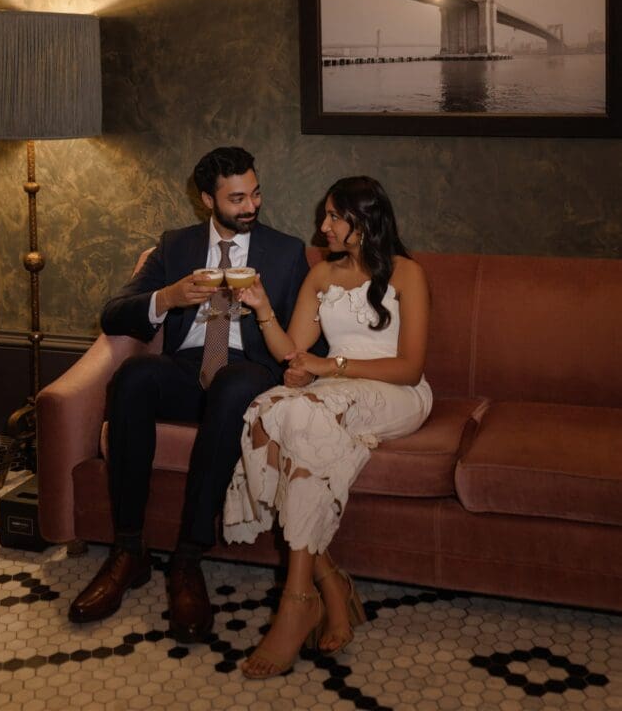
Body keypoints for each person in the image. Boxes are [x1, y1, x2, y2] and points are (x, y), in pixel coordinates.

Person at [68, 147, 311, 643]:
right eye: (237, 197)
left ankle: (188, 557)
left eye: (256, 193)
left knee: (232, 383)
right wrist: (169, 298)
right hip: (187, 368)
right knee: (135, 376)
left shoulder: (287, 252)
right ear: (207, 200)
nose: (251, 206)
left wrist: (265, 315)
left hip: (248, 373)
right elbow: (115, 313)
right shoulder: (175, 246)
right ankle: (129, 549)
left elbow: (310, 341)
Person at [223, 175, 432, 678]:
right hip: (331, 393)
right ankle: (325, 580)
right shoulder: (320, 276)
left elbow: (410, 367)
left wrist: (327, 367)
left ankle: (299, 599)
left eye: (336, 216)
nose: (325, 226)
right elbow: (293, 350)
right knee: (265, 415)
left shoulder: (407, 273)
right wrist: (264, 309)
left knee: (301, 413)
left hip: (397, 394)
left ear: (366, 220)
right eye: (327, 215)